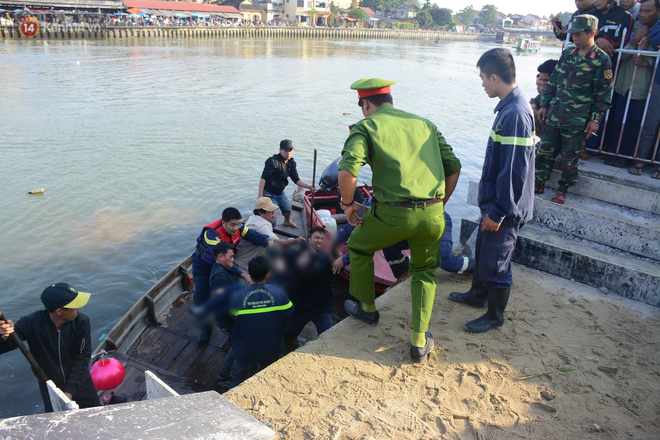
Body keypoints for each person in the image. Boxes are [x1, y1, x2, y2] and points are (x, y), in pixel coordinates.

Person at [338, 78, 462, 363]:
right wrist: (439, 204)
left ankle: (367, 308)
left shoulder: (367, 126)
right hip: (432, 214)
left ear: (365, 104)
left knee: (358, 245)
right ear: (391, 100)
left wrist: (347, 205)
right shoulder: (425, 124)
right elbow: (453, 167)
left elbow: (347, 173)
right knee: (425, 271)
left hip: (391, 215)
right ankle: (419, 342)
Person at [450, 49, 535, 334]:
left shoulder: (515, 113)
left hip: (504, 208)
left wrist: (498, 211)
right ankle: (477, 295)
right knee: (485, 250)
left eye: (483, 78)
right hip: (495, 203)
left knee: (498, 261)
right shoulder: (509, 108)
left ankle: (495, 315)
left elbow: (513, 170)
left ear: (495, 77)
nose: (483, 84)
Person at [535, 15, 614, 204]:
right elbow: (553, 82)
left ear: (591, 33)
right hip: (555, 114)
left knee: (570, 158)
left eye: (578, 34)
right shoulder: (568, 54)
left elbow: (603, 94)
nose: (574, 38)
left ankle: (563, 189)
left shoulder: (601, 60)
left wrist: (595, 119)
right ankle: (538, 183)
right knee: (545, 151)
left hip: (577, 119)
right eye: (573, 34)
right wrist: (544, 105)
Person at [0, 283, 99, 412]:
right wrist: (4, 336)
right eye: (74, 306)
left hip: (80, 381)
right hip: (51, 388)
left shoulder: (82, 321)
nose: (78, 308)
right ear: (59, 311)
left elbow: (83, 356)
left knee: (95, 414)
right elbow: (4, 347)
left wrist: (70, 390)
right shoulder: (29, 323)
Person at [191, 207, 269, 341]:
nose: (235, 228)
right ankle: (205, 326)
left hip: (224, 264)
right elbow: (221, 258)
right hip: (204, 266)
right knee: (201, 295)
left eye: (238, 224)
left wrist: (270, 242)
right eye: (232, 225)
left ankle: (232, 321)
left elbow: (254, 236)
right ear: (223, 223)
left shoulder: (238, 228)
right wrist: (243, 275)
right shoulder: (211, 234)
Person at [607, 0, 659, 170]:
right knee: (618, 119)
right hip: (624, 82)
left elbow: (655, 59)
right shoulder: (632, 26)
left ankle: (629, 156)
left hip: (644, 86)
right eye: (642, 11)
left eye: (648, 11)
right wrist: (635, 40)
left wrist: (648, 61)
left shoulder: (657, 33)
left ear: (658, 12)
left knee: (637, 123)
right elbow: (621, 56)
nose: (643, 15)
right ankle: (616, 153)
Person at [228, 256, 293, 387]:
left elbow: (230, 320)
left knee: (238, 382)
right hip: (272, 349)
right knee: (269, 377)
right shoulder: (279, 293)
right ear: (268, 275)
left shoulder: (236, 296)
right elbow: (289, 314)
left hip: (244, 350)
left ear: (248, 271)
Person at [285, 226, 336, 341]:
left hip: (321, 307)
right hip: (299, 307)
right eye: (316, 238)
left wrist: (342, 259)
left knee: (329, 336)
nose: (319, 241)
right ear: (309, 239)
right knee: (288, 335)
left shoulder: (330, 258)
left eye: (323, 239)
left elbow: (340, 267)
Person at [629, 0, 660, 177]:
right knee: (650, 123)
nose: (643, 14)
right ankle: (640, 159)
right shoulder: (656, 26)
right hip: (659, 81)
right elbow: (655, 37)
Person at [258, 140, 313, 229]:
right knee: (272, 218)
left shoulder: (291, 163)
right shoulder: (272, 161)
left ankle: (286, 222)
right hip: (269, 193)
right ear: (280, 150)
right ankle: (267, 232)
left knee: (288, 208)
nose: (288, 153)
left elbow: (296, 180)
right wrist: (260, 195)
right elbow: (263, 178)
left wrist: (309, 187)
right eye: (286, 150)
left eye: (290, 150)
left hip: (280, 192)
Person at [531, 59, 559, 138]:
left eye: (546, 81)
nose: (542, 84)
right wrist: (533, 105)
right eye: (541, 81)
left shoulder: (561, 93)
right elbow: (536, 99)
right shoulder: (545, 93)